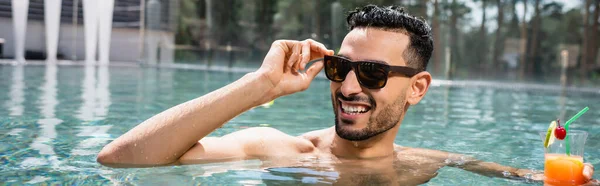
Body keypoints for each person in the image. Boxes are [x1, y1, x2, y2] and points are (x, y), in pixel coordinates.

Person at [98, 5, 596, 185]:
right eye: (341, 68)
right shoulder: (277, 150)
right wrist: (259, 87)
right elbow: (120, 160)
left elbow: (524, 176)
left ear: (417, 88)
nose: (349, 87)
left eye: (374, 73)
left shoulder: (427, 163)